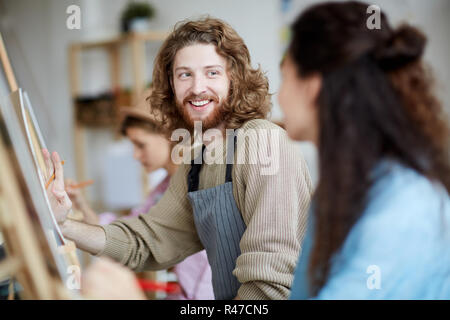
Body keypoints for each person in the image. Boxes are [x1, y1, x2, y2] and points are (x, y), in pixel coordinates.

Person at [44, 17, 313, 300]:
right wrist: (63, 224)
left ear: (234, 79)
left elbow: (269, 290)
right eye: (185, 75)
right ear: (171, 86)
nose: (197, 88)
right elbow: (145, 241)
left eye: (212, 73)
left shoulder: (262, 141)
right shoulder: (198, 163)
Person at [277, 1, 450, 299]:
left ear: (312, 87)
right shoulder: (340, 188)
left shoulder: (407, 206)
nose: (278, 97)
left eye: (284, 78)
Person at [65, 88, 214, 300]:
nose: (135, 155)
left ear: (170, 136)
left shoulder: (202, 183)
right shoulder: (163, 189)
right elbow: (127, 231)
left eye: (140, 145)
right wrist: (80, 205)